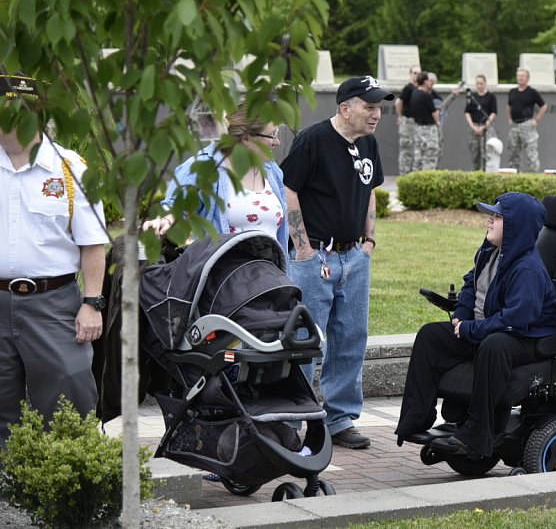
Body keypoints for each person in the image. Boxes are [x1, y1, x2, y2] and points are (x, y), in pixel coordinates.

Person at [395, 191, 556, 458]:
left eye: (497, 217)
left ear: (515, 226)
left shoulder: (527, 269)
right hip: (489, 329)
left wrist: (473, 329)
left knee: (494, 345)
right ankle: (416, 417)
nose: (489, 221)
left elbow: (517, 319)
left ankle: (476, 433)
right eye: (491, 215)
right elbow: (471, 285)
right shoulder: (490, 252)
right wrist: (461, 315)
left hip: (529, 338)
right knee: (431, 335)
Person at [281, 75, 393, 449]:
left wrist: (370, 242)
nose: (376, 114)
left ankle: (340, 418)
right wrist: (302, 249)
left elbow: (371, 190)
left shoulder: (369, 143)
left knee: (351, 337)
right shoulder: (313, 140)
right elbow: (289, 189)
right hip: (314, 256)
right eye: (369, 106)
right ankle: (292, 419)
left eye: (378, 107)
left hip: (355, 256)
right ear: (345, 108)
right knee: (304, 340)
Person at [0, 74, 107, 446]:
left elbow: (93, 244)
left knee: (68, 397)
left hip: (54, 303)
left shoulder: (71, 167)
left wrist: (92, 304)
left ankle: (65, 492)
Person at [142, 103, 287, 255]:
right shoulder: (205, 166)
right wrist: (164, 221)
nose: (277, 142)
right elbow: (176, 207)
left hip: (270, 275)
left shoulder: (272, 170)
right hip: (226, 275)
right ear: (246, 139)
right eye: (272, 135)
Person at [506, 68, 547, 173]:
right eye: (518, 75)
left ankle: (533, 177)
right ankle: (515, 176)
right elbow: (509, 106)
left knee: (531, 154)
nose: (520, 78)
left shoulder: (532, 92)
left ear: (527, 78)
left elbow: (543, 106)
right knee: (513, 154)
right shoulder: (512, 92)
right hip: (515, 126)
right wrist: (509, 119)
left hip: (527, 125)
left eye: (522, 76)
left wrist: (536, 120)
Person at [464, 75, 497, 171]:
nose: (479, 86)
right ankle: (476, 172)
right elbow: (467, 112)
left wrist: (485, 126)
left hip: (486, 127)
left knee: (487, 152)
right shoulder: (472, 97)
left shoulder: (491, 97)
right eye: (477, 83)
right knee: (475, 152)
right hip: (474, 127)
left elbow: (494, 113)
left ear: (485, 83)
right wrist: (472, 126)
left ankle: (487, 172)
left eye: (481, 83)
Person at [410, 70, 441, 172]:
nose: (430, 82)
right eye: (429, 79)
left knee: (418, 157)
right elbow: (434, 113)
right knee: (430, 156)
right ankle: (428, 178)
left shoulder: (414, 93)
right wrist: (438, 122)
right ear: (425, 81)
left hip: (418, 128)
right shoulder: (425, 95)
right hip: (428, 130)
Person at [395, 65, 420, 176]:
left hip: (417, 122)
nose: (417, 75)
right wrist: (401, 116)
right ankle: (404, 174)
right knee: (406, 150)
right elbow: (398, 102)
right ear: (410, 74)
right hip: (408, 122)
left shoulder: (420, 88)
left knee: (416, 150)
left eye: (419, 73)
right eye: (414, 73)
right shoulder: (408, 88)